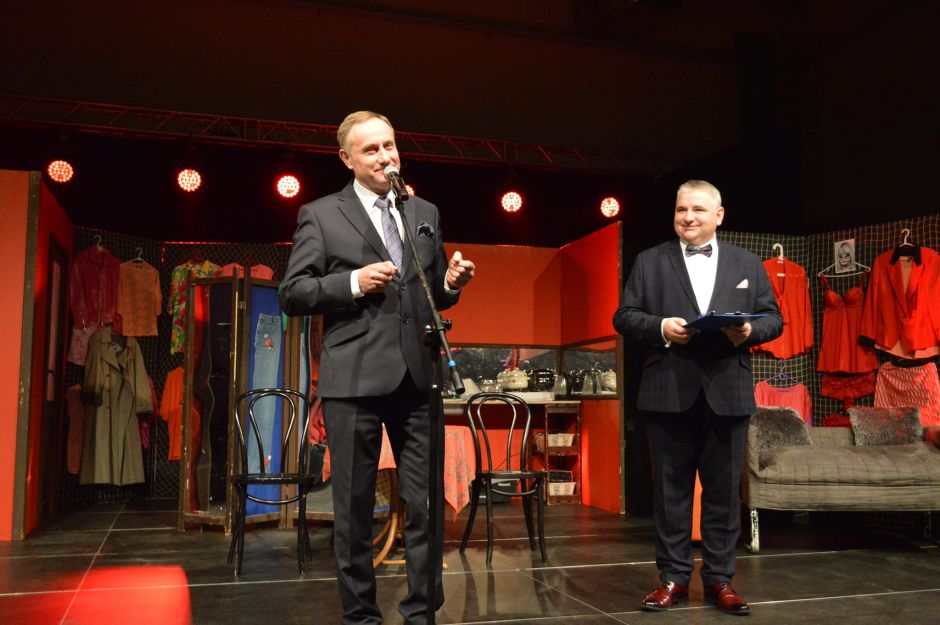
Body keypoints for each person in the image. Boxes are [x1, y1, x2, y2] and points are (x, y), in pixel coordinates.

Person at [280, 111, 475, 625]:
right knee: (354, 509)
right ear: (346, 158)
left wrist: (451, 283)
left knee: (426, 505)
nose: (385, 157)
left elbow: (432, 293)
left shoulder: (423, 210)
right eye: (371, 149)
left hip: (418, 375)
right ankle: (361, 617)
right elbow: (293, 292)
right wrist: (352, 282)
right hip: (354, 379)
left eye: (389, 145)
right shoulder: (321, 214)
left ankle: (421, 614)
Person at [613, 180, 782, 616]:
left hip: (727, 392)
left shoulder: (747, 262)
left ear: (719, 216)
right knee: (670, 495)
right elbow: (625, 316)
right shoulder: (650, 260)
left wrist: (749, 330)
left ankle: (721, 580)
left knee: (723, 494)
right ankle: (672, 578)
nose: (688, 217)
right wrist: (660, 328)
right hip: (667, 390)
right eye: (681, 210)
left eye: (698, 210)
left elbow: (774, 319)